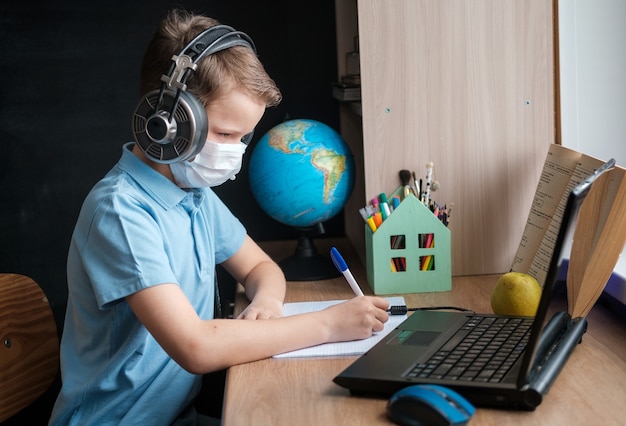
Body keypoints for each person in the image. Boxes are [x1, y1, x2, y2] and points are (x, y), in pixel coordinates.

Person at [49, 9, 390, 425]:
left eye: (243, 137)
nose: (236, 150)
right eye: (226, 134)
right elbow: (196, 347)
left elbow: (261, 265)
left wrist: (266, 300)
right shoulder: (120, 212)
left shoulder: (192, 193)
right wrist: (327, 325)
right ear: (168, 123)